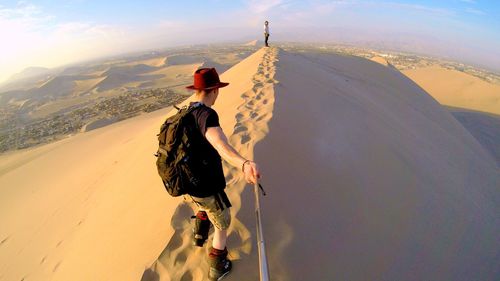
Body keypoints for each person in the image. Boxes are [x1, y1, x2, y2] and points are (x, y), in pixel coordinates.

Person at [185, 68, 261, 280]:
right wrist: (244, 163)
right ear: (214, 90)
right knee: (223, 223)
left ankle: (200, 233)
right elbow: (220, 144)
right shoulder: (206, 115)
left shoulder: (186, 111)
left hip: (186, 182)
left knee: (203, 205)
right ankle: (218, 264)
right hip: (205, 184)